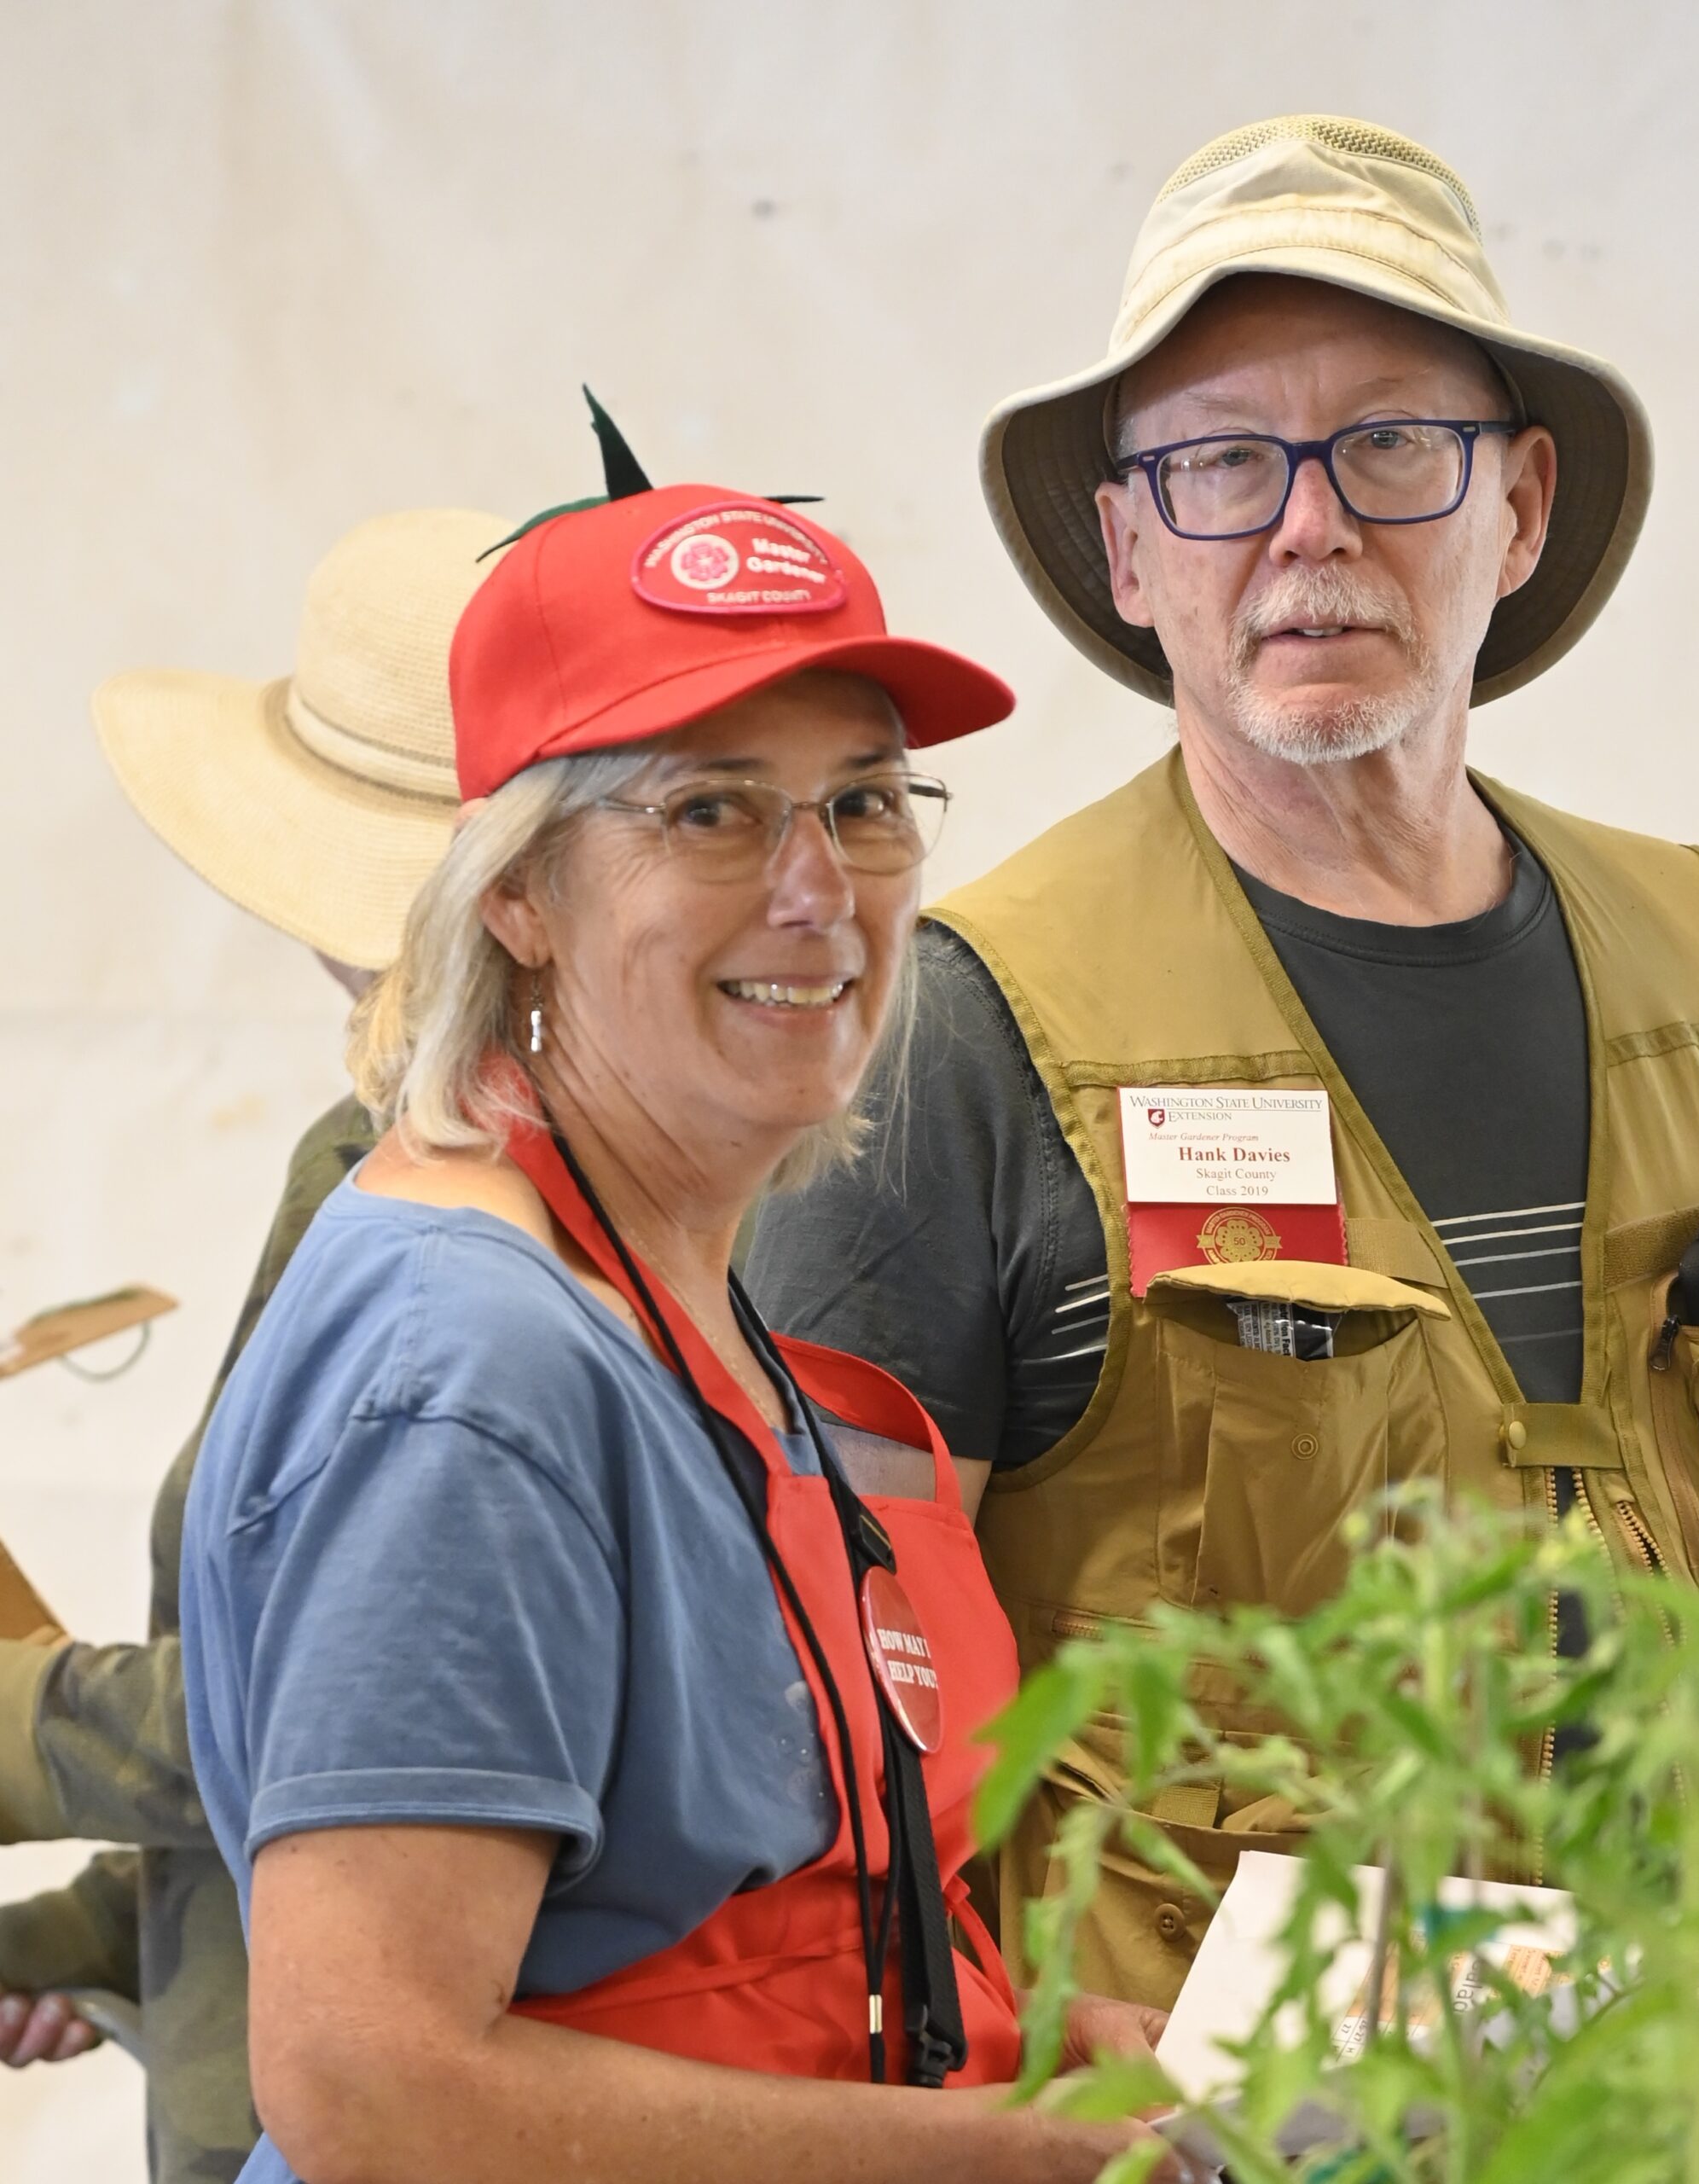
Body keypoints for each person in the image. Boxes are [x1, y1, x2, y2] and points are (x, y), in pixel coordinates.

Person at [747, 114, 1699, 2007]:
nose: (1305, 525)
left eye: (1385, 445)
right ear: (1125, 545)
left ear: (1513, 506)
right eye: (1215, 462)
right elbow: (825, 1700)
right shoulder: (965, 1018)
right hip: (1232, 2125)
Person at [178, 469, 1168, 2184]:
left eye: (863, 802)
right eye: (710, 810)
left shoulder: (657, 1272)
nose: (814, 885)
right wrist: (1009, 2159)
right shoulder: (473, 1373)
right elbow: (373, 2089)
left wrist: (997, 2038)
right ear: (517, 892)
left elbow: (708, 1926)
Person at [0, 505, 507, 2181]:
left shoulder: (477, 1221)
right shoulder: (372, 1153)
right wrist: (103, 1923)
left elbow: (351, 1710)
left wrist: (26, 1733)